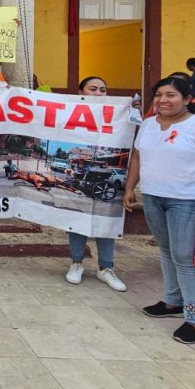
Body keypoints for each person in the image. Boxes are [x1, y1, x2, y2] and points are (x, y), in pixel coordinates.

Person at [124, 75, 195, 344]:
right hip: (154, 197)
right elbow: (137, 157)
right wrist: (130, 187)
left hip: (188, 200)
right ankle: (172, 302)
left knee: (184, 257)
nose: (163, 100)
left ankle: (194, 319)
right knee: (167, 250)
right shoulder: (148, 124)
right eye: (159, 95)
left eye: (171, 95)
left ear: (187, 99)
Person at [64, 76, 127, 292]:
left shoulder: (120, 115)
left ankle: (106, 267)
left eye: (103, 89)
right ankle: (76, 263)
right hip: (86, 178)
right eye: (93, 89)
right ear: (81, 91)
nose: (99, 93)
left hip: (105, 179)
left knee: (106, 221)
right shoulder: (67, 111)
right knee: (76, 219)